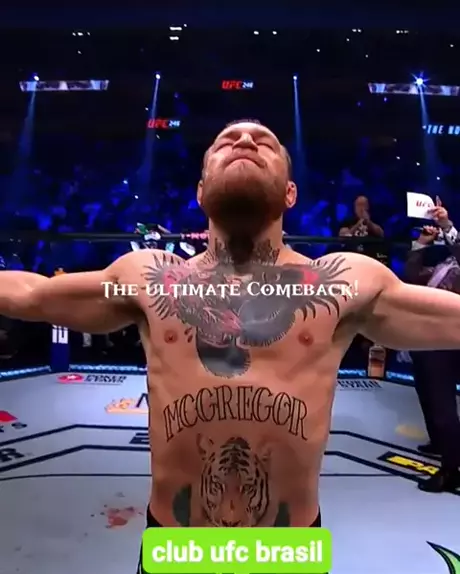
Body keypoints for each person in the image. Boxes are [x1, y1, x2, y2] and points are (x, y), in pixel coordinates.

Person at [2, 121, 460, 572]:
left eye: (264, 143)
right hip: (177, 551)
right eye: (226, 141)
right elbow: (35, 295)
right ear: (200, 192)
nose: (244, 140)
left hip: (286, 554)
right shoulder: (147, 280)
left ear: (290, 193)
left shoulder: (343, 285)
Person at [405, 199, 460, 492]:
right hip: (427, 335)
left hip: (449, 337)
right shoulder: (446, 264)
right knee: (426, 390)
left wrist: (446, 224)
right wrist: (422, 245)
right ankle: (440, 441)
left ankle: (452, 469)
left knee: (442, 401)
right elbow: (412, 277)